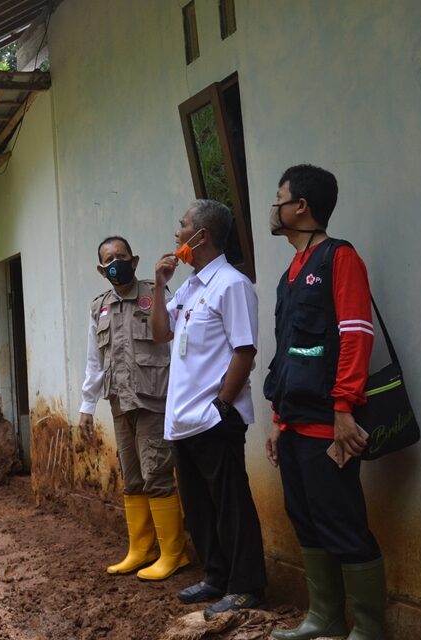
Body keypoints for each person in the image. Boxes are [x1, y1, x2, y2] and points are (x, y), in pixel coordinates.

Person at [263, 165, 386, 640]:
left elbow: (357, 334)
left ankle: (370, 629)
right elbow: (289, 351)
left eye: (279, 198)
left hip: (328, 423)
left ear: (302, 207)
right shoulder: (289, 273)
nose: (274, 208)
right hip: (294, 423)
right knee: (306, 519)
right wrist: (276, 419)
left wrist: (343, 407)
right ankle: (325, 617)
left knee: (342, 521)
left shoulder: (341, 258)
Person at [149, 200, 267, 618]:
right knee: (200, 506)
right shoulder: (191, 285)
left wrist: (221, 406)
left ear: (202, 236)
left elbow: (245, 350)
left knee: (231, 503)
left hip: (214, 417)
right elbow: (161, 333)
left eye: (182, 226)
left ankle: (246, 585)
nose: (176, 234)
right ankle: (216, 575)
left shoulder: (232, 284)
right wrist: (161, 284)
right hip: (183, 420)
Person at [80, 236, 191, 580]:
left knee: (156, 473)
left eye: (122, 256)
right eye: (110, 259)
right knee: (132, 477)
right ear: (102, 269)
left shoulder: (157, 294)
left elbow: (179, 342)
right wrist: (87, 405)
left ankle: (174, 553)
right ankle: (141, 549)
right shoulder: (99, 307)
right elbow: (94, 360)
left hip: (155, 400)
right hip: (120, 402)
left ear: (135, 259)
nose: (117, 262)